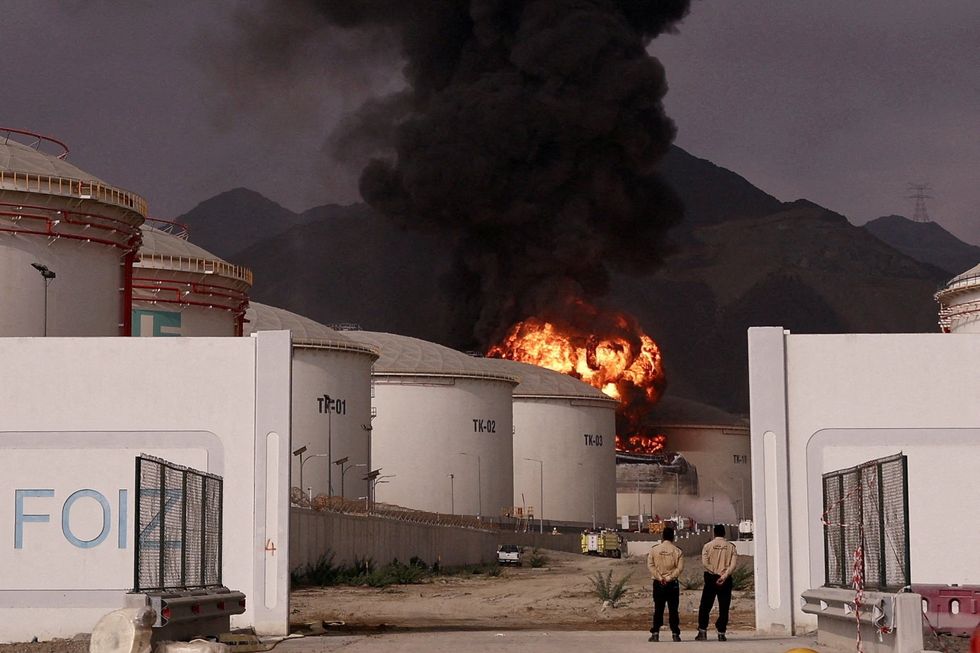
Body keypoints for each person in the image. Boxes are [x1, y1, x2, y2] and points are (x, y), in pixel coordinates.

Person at [696, 524, 738, 641]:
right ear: (724, 533)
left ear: (714, 533)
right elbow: (733, 565)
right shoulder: (731, 547)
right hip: (725, 579)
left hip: (711, 578)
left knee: (705, 606)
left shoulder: (707, 546)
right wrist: (723, 575)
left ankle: (702, 632)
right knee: (724, 607)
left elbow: (705, 563)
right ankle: (721, 632)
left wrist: (716, 573)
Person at [646, 526, 684, 642]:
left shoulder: (654, 549)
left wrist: (659, 577)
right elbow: (680, 568)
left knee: (658, 609)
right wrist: (669, 578)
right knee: (673, 609)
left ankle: (655, 633)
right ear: (673, 537)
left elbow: (650, 565)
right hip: (672, 584)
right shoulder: (678, 551)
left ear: (662, 536)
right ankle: (675, 634)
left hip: (658, 583)